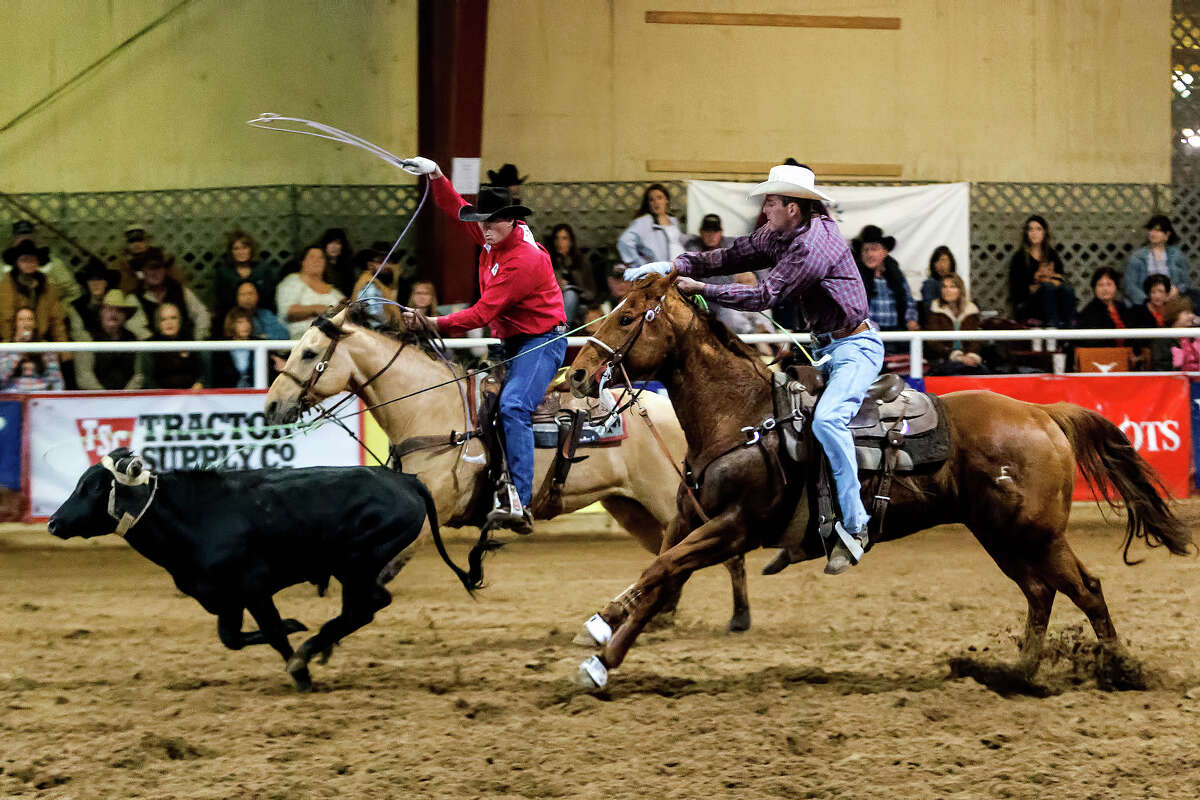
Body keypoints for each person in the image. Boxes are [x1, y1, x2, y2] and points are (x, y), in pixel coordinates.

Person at [630, 163, 884, 576]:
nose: (764, 207)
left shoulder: (812, 243)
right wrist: (672, 267)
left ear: (793, 208)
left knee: (828, 422)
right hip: (824, 348)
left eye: (771, 200)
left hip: (856, 347)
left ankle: (855, 526)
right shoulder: (779, 233)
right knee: (784, 425)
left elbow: (765, 294)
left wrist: (700, 289)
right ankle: (803, 526)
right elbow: (729, 255)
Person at [399, 156, 567, 534]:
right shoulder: (495, 234)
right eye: (483, 222)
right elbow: (455, 209)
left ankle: (519, 500)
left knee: (512, 406)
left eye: (491, 223)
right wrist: (436, 175)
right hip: (515, 339)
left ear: (510, 220)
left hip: (541, 340)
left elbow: (481, 313)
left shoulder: (523, 260)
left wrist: (432, 322)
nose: (484, 229)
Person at [73, 290, 149, 390]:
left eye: (119, 310)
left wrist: (126, 395)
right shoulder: (87, 338)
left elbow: (139, 373)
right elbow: (84, 375)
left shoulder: (133, 338)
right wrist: (105, 396)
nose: (113, 314)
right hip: (95, 398)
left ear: (125, 316)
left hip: (129, 398)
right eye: (109, 309)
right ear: (101, 313)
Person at [1009, 214, 1076, 327]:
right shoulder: (1019, 257)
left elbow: (1060, 278)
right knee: (1048, 287)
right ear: (1026, 233)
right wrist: (1040, 279)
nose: (1034, 233)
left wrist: (1049, 279)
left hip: (1052, 298)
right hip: (1029, 304)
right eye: (1030, 229)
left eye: (1038, 229)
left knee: (1068, 289)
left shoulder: (1051, 254)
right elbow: (1018, 289)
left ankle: (1069, 326)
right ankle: (1053, 325)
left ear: (1045, 232)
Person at [855, 225, 918, 342]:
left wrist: (911, 320)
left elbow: (909, 302)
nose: (869, 254)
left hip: (896, 333)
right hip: (867, 335)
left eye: (874, 249)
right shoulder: (855, 277)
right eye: (865, 250)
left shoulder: (897, 275)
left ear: (884, 252)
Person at [0, 238, 69, 344]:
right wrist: (9, 345)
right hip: (14, 341)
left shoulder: (48, 285)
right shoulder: (7, 285)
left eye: (33, 260)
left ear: (38, 262)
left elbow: (56, 320)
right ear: (16, 262)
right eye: (24, 260)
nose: (29, 263)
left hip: (42, 339)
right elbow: (5, 318)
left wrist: (65, 354)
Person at [133, 247, 211, 340]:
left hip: (186, 346)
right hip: (154, 350)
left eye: (158, 268)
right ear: (143, 272)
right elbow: (137, 327)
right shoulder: (135, 297)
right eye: (150, 269)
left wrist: (196, 341)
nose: (155, 273)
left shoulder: (181, 290)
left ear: (164, 270)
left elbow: (202, 314)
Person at [67, 258, 151, 340]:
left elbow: (136, 329)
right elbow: (80, 336)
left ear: (106, 282)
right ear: (86, 283)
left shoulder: (119, 300)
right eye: (91, 280)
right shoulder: (77, 306)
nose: (95, 284)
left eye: (99, 279)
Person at [7, 220, 80, 311]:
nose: (24, 238)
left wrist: (59, 309)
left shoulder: (54, 264)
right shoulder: (4, 268)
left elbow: (74, 292)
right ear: (14, 240)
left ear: (34, 238)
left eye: (28, 235)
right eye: (20, 236)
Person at [275, 245, 345, 338]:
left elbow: (345, 312)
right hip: (300, 337)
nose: (316, 261)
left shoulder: (334, 292)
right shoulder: (293, 281)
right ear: (303, 262)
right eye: (312, 257)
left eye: (321, 258)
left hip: (332, 338)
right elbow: (287, 312)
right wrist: (316, 309)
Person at [212, 229, 278, 324]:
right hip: (232, 316)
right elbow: (220, 302)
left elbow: (270, 297)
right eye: (236, 248)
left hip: (261, 315)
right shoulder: (223, 272)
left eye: (244, 247)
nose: (241, 252)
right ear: (231, 252)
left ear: (251, 249)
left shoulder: (263, 269)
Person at [1124, 215, 1192, 306]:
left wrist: (1176, 291)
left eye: (1157, 230)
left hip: (1172, 303)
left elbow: (1186, 282)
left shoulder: (1177, 255)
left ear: (1167, 234)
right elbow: (1130, 286)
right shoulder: (1137, 257)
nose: (1152, 233)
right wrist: (1147, 301)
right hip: (1145, 305)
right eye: (1151, 229)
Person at [923, 274, 984, 373]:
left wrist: (971, 355)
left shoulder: (971, 310)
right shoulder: (935, 311)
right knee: (958, 368)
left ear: (960, 290)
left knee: (981, 371)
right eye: (944, 287)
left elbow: (976, 339)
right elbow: (933, 342)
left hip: (968, 357)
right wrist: (956, 356)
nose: (947, 290)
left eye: (952, 287)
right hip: (944, 359)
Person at [617, 184, 686, 268]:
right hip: (663, 273)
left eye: (659, 198)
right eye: (651, 200)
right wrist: (640, 265)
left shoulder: (673, 220)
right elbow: (624, 241)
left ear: (666, 200)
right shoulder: (643, 222)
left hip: (681, 268)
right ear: (648, 203)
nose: (656, 202)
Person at [0, 307, 64, 391]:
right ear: (15, 324)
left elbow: (56, 379)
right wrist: (18, 348)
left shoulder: (45, 347)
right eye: (21, 320)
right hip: (13, 396)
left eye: (29, 319)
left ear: (34, 324)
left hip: (39, 395)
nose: (25, 323)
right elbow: (1, 377)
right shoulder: (5, 347)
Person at [546, 223, 596, 325]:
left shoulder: (581, 261)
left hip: (579, 302)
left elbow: (591, 291)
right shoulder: (547, 260)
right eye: (557, 238)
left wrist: (574, 288)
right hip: (554, 302)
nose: (560, 242)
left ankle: (562, 331)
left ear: (571, 242)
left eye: (564, 238)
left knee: (570, 294)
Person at [147, 302, 205, 390]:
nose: (169, 323)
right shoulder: (149, 345)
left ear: (180, 321)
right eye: (163, 319)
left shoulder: (189, 341)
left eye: (173, 318)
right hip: (160, 397)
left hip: (190, 395)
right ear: (158, 323)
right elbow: (147, 378)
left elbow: (201, 372)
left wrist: (199, 383)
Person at [1074, 267, 1132, 348]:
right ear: (1094, 288)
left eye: (1109, 284)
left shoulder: (1122, 307)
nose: (1105, 289)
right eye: (1100, 285)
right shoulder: (1090, 311)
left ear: (1116, 286)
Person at [350, 246, 402, 329]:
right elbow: (373, 312)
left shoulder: (380, 284)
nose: (387, 265)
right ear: (370, 265)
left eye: (389, 261)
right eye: (381, 261)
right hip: (377, 334)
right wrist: (390, 326)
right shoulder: (370, 284)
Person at [1128, 274, 1173, 370]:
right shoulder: (1137, 311)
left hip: (1169, 358)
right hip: (1145, 359)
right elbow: (1133, 340)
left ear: (1167, 293)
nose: (1157, 296)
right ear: (1148, 294)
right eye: (1153, 292)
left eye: (1160, 291)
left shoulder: (1173, 311)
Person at [210, 308, 260, 388]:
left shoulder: (260, 343)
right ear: (231, 324)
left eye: (247, 321)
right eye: (240, 322)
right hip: (228, 394)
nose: (245, 325)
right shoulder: (221, 347)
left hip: (256, 393)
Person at [919, 246, 957, 324]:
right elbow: (930, 310)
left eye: (944, 260)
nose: (941, 265)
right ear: (933, 265)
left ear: (951, 263)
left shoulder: (957, 281)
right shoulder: (930, 284)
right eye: (937, 261)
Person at [318, 228, 355, 295]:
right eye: (330, 243)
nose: (333, 246)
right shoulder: (320, 266)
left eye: (338, 243)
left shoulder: (347, 267)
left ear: (342, 247)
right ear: (325, 245)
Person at [1166, 297, 1200, 371]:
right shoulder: (1162, 339)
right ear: (1175, 315)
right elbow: (1161, 368)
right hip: (1173, 381)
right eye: (1187, 313)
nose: (1192, 316)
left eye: (1191, 312)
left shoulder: (1195, 336)